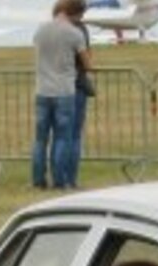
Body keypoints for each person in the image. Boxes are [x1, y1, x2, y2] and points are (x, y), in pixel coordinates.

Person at [31, 0, 88, 190]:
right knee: (62, 138)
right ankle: (60, 180)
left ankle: (38, 180)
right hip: (64, 90)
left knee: (40, 139)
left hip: (42, 90)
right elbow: (87, 64)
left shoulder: (40, 30)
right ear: (75, 12)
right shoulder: (74, 33)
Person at [64, 0, 94, 190]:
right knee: (74, 135)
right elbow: (87, 60)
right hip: (76, 85)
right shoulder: (80, 30)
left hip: (57, 85)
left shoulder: (54, 27)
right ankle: (70, 178)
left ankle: (60, 177)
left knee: (60, 135)